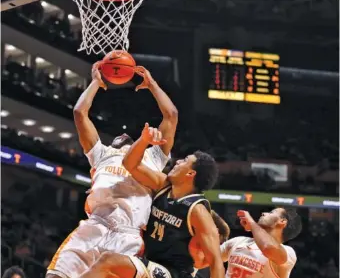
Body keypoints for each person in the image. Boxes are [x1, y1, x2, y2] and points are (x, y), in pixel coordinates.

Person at [46, 64, 178, 278]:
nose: (124, 137)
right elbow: (80, 113)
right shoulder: (101, 154)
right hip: (94, 225)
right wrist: (96, 83)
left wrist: (152, 85)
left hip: (128, 234)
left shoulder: (150, 157)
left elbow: (171, 116)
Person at [78, 125, 224, 278]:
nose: (178, 161)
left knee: (108, 261)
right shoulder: (163, 185)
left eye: (185, 160)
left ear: (190, 173)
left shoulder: (197, 211)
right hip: (148, 262)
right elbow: (130, 164)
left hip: (172, 272)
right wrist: (143, 140)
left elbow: (216, 261)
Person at [197, 207, 302, 278]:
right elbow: (202, 261)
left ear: (282, 221)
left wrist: (252, 224)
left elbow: (268, 248)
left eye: (271, 212)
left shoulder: (288, 253)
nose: (264, 213)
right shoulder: (238, 241)